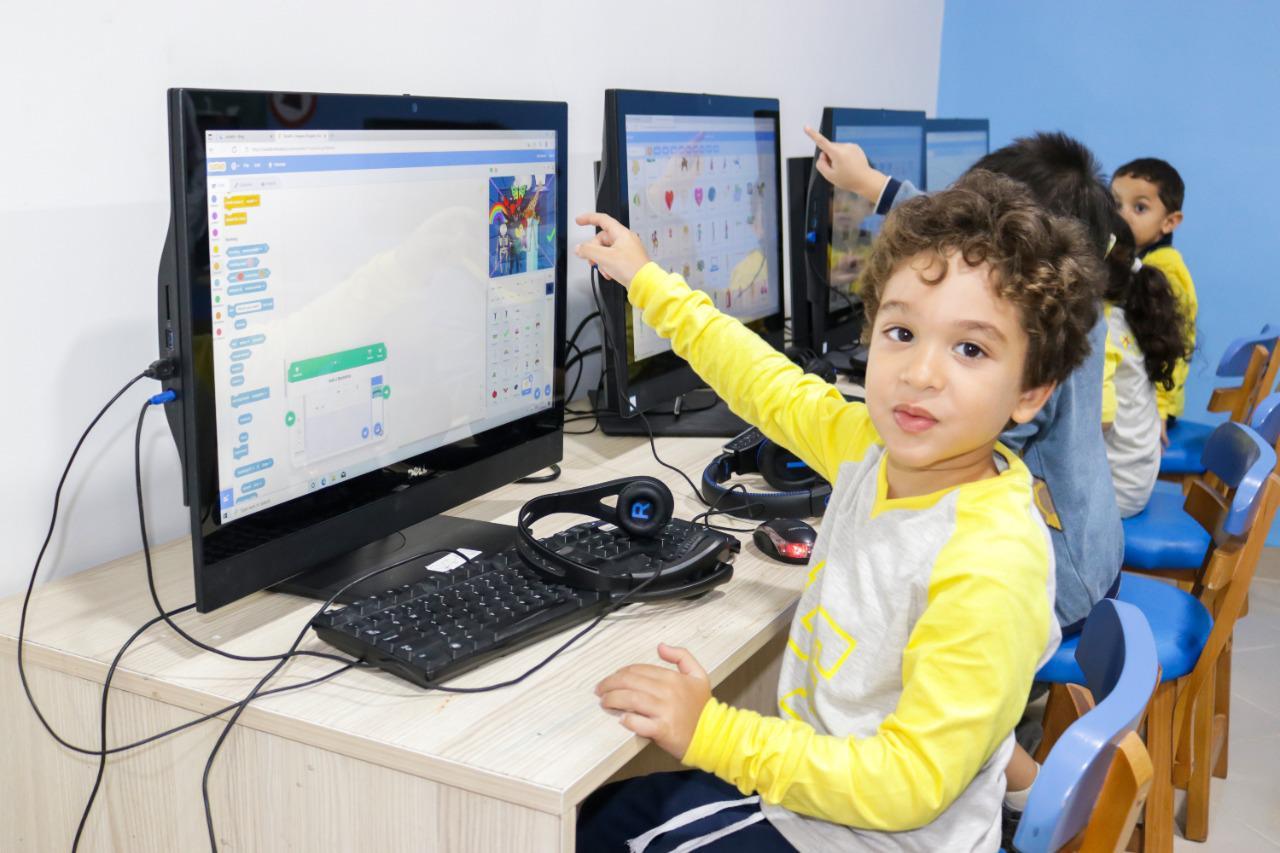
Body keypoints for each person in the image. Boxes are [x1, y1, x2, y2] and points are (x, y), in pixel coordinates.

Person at [574, 170, 1100, 852]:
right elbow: (764, 382)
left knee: (592, 831)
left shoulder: (992, 559)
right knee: (607, 810)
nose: (920, 372)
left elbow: (906, 784)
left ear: (1030, 392)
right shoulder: (873, 451)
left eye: (970, 348)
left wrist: (713, 732)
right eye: (902, 331)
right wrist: (646, 280)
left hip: (867, 834)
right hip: (824, 798)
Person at [805, 126, 1122, 633]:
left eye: (970, 350)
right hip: (1097, 549)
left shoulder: (1034, 340)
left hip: (1062, 579)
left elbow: (961, 447)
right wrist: (869, 183)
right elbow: (959, 244)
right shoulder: (1069, 305)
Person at [1100, 215, 1193, 515]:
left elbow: (1100, 422)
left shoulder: (1099, 326)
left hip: (1114, 490)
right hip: (1134, 478)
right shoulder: (1123, 312)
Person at [1111, 158, 1196, 437]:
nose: (1123, 215)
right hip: (1139, 394)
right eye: (1115, 204)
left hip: (1154, 404)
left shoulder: (1165, 269)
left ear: (1170, 222)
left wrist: (1160, 407)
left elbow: (1173, 345)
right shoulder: (1135, 260)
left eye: (1140, 207)